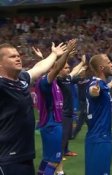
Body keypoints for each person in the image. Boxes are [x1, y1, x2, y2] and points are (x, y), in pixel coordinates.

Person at [0, 42, 67, 175]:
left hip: (26, 154)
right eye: (12, 57)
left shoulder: (22, 80)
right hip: (8, 158)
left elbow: (39, 68)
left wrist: (54, 54)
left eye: (18, 55)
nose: (18, 58)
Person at [35, 39, 76, 175]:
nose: (59, 67)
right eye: (55, 66)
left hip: (51, 124)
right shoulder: (45, 82)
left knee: (48, 158)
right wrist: (67, 52)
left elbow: (56, 68)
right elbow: (57, 67)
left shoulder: (54, 83)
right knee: (54, 160)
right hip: (52, 125)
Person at [85, 53, 112, 175]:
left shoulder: (102, 84)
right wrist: (95, 91)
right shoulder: (95, 84)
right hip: (99, 139)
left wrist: (107, 86)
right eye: (108, 62)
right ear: (101, 67)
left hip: (102, 138)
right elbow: (93, 90)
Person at [57, 55, 86, 157]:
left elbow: (75, 71)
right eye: (65, 68)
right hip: (62, 112)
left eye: (68, 67)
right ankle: (59, 152)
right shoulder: (58, 80)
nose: (68, 69)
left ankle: (65, 150)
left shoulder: (68, 79)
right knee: (63, 134)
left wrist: (82, 63)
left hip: (69, 111)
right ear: (59, 69)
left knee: (68, 133)